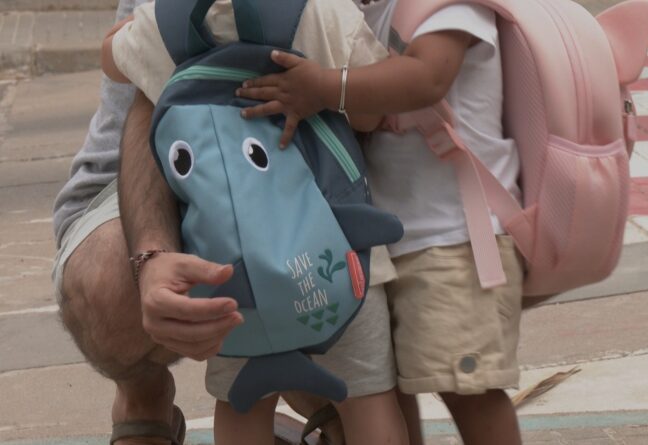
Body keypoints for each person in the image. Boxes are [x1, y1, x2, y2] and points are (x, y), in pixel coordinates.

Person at [53, 0, 407, 444]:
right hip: (330, 247)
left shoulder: (169, 22)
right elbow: (371, 110)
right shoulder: (322, 13)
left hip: (228, 258)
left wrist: (130, 32)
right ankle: (325, 405)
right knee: (367, 398)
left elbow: (115, 60)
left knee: (243, 402)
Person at [237, 1, 525, 444]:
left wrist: (323, 87)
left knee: (468, 389)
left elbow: (428, 78)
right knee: (383, 392)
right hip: (384, 244)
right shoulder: (359, 12)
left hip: (455, 241)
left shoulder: (445, 7)